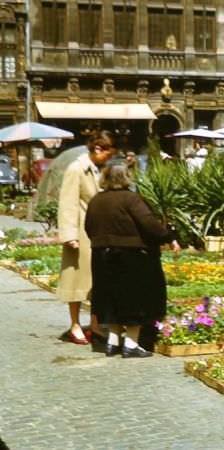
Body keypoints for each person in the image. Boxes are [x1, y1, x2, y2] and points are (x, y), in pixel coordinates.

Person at [84, 160, 180, 358]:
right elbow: (149, 224)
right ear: (126, 177)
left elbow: (89, 227)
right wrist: (169, 237)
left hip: (102, 254)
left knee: (110, 298)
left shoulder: (96, 200)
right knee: (135, 299)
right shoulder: (131, 199)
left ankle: (112, 341)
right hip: (132, 256)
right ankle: (131, 343)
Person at [57, 130, 115, 345]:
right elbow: (67, 203)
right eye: (107, 152)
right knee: (76, 279)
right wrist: (70, 235)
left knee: (96, 281)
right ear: (98, 148)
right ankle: (74, 325)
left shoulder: (99, 169)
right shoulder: (76, 169)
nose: (110, 157)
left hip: (98, 233)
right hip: (80, 233)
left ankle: (95, 324)